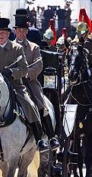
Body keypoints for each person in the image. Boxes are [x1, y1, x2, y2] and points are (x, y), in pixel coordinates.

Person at [0, 17, 49, 152]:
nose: (1, 35)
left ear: (9, 34)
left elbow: (24, 69)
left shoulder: (17, 48)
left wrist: (11, 72)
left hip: (15, 86)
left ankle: (39, 138)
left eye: (4, 33)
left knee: (29, 105)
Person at [14, 8, 60, 151]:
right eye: (19, 30)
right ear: (15, 31)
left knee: (40, 103)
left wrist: (25, 74)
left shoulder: (34, 47)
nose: (21, 32)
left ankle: (50, 137)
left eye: (23, 30)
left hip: (29, 82)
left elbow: (39, 64)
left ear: (27, 31)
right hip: (13, 83)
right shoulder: (9, 46)